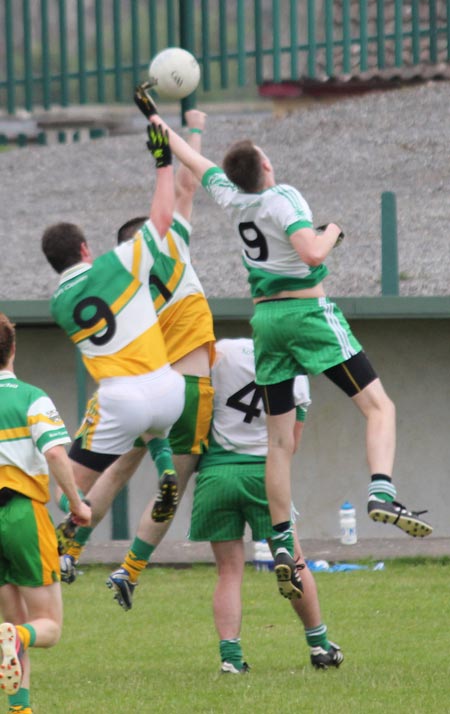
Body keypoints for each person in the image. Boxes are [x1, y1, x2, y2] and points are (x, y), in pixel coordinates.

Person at [132, 82, 432, 600]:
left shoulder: (233, 199)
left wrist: (159, 125)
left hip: (265, 322)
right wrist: (334, 228)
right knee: (379, 406)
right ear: (266, 166)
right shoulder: (281, 196)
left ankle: (284, 543)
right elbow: (312, 252)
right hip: (307, 313)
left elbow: (195, 164)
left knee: (278, 443)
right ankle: (382, 489)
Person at [57, 110, 216, 607]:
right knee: (180, 476)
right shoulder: (175, 248)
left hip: (141, 385)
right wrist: (189, 129)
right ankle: (131, 569)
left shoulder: (123, 278)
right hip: (187, 385)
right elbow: (186, 187)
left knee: (116, 470)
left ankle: (68, 550)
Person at [41, 123, 186, 540]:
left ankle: (76, 523)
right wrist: (162, 162)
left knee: (63, 495)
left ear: (56, 263)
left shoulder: (58, 305)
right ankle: (166, 471)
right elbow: (160, 220)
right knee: (152, 424)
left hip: (122, 399)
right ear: (86, 249)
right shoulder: (119, 263)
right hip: (169, 389)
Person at [189, 337, 343, 673]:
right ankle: (319, 646)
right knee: (294, 559)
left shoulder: (222, 352)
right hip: (265, 476)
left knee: (228, 572)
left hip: (216, 474)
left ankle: (230, 659)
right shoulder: (295, 374)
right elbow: (290, 445)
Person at [0, 312, 92, 714]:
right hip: (21, 514)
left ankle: (20, 709)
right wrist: (76, 502)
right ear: (13, 349)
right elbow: (55, 451)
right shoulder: (31, 397)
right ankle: (16, 640)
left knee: (11, 623)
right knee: (44, 627)